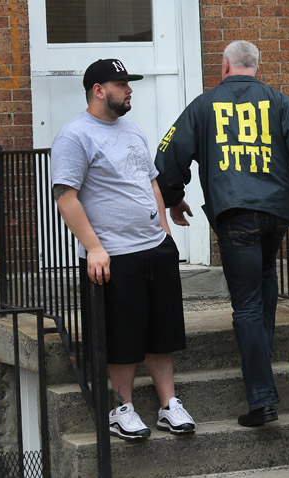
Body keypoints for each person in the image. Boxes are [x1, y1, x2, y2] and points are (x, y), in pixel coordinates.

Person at [153, 40, 289, 427]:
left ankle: (261, 399)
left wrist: (173, 199)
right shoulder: (279, 101)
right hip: (277, 213)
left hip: (235, 212)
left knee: (246, 305)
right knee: (265, 284)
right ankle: (265, 374)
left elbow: (169, 156)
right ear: (255, 66)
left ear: (225, 65)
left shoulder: (204, 105)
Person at [51, 58, 195, 441]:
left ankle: (169, 406)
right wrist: (94, 248)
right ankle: (121, 409)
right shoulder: (74, 136)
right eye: (122, 84)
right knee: (122, 338)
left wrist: (164, 232)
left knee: (161, 334)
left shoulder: (131, 128)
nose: (130, 90)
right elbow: (66, 198)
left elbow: (149, 180)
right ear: (99, 91)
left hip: (153, 249)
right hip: (114, 256)